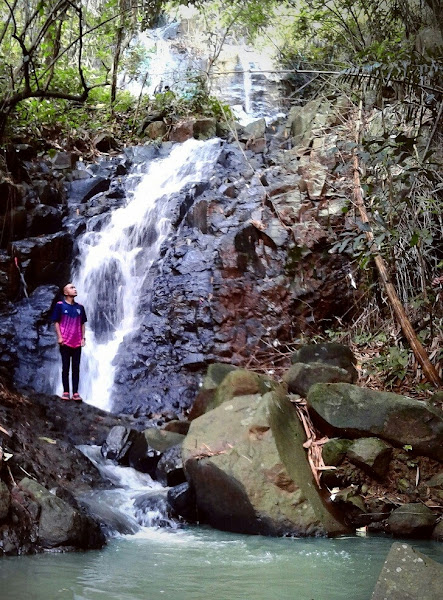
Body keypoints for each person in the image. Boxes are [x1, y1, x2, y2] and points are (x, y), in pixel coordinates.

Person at [51, 283, 87, 401]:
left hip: (77, 342)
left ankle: (75, 392)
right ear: (66, 293)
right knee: (65, 367)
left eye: (75, 287)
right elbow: (56, 322)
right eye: (71, 288)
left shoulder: (80, 307)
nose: (75, 289)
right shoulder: (60, 305)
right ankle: (66, 391)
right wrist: (59, 337)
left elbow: (82, 323)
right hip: (65, 341)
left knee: (76, 368)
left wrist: (83, 338)